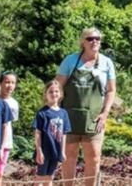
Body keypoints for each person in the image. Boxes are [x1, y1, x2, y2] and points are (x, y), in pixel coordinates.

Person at [56, 28, 117, 186]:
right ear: (83, 41)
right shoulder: (70, 61)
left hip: (94, 119)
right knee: (69, 156)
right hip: (70, 118)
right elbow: (57, 88)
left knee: (94, 157)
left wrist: (105, 113)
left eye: (97, 38)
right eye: (90, 39)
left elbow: (111, 90)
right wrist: (55, 113)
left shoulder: (106, 63)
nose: (94, 41)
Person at [34, 80, 71, 184]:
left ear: (60, 93)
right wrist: (39, 150)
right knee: (40, 177)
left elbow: (64, 133)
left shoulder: (64, 113)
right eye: (50, 92)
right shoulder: (42, 113)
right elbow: (38, 133)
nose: (54, 94)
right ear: (46, 94)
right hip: (44, 151)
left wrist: (62, 151)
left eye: (56, 91)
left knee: (50, 177)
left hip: (56, 151)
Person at [0, 72, 19, 186]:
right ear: (0, 83)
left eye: (13, 83)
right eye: (7, 82)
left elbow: (10, 123)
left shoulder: (14, 103)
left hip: (6, 141)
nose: (10, 85)